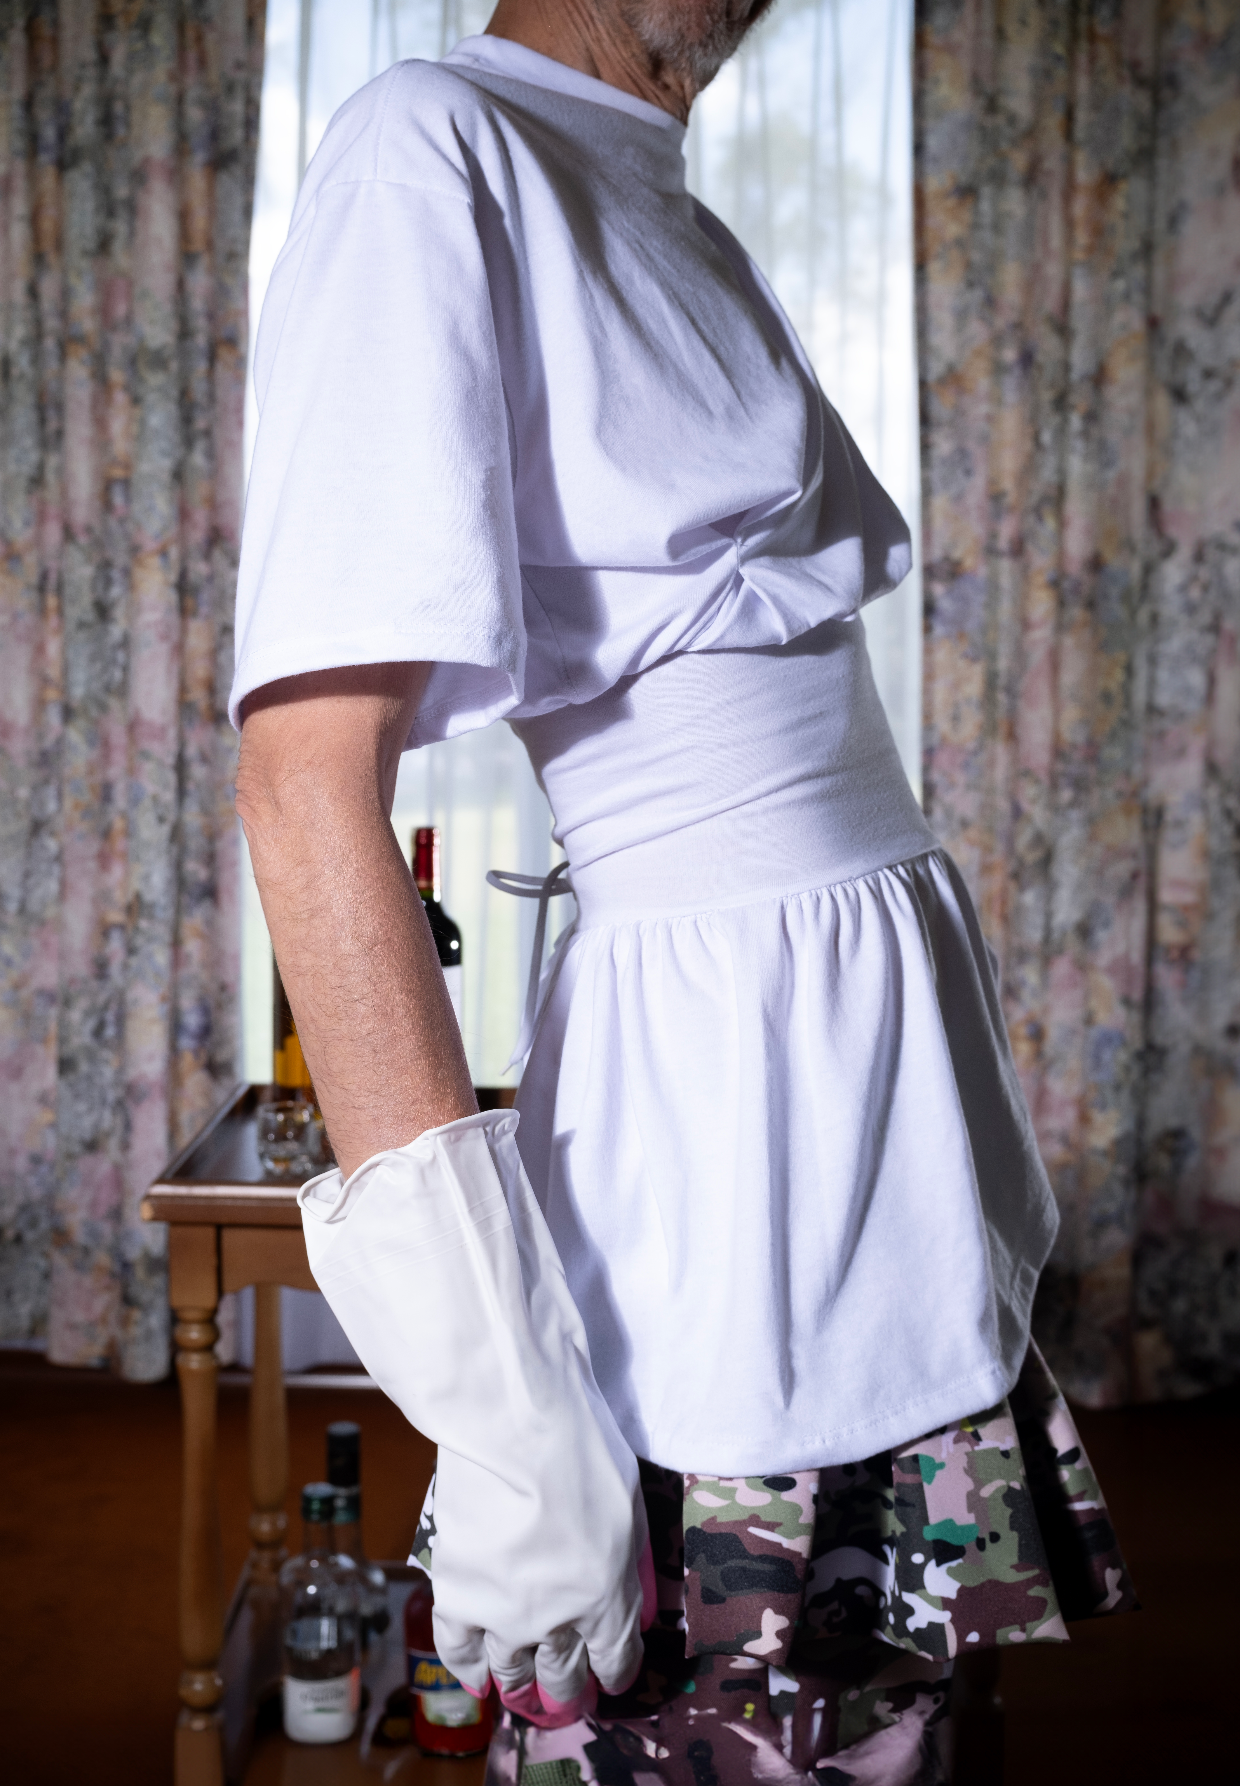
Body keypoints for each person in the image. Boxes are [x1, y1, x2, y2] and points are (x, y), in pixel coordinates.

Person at [233, 2, 1136, 1779]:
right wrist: (503, 1405)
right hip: (728, 1149)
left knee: (899, 1730)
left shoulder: (653, 179)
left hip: (877, 1115)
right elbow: (303, 784)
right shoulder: (434, 144)